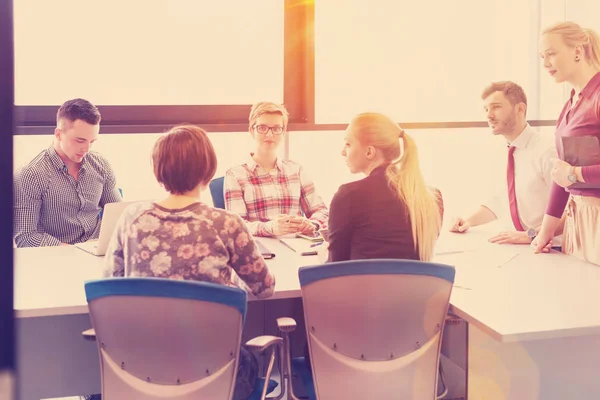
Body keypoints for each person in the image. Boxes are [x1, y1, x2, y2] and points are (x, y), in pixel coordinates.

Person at [104, 124, 276, 400]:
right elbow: (265, 289)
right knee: (250, 361)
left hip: (145, 366)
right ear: (208, 169)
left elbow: (112, 283)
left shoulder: (131, 218)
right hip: (214, 369)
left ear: (158, 170)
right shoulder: (227, 224)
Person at [450, 81, 562, 246]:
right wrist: (468, 221)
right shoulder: (503, 152)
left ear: (520, 109)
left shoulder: (547, 151)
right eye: (486, 109)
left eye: (496, 107)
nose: (489, 115)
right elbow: (499, 202)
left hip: (553, 248)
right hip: (518, 248)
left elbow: (572, 211)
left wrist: (530, 235)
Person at [326, 112, 443, 262]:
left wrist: (324, 254)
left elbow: (335, 267)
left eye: (348, 144)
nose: (342, 152)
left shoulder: (349, 195)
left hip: (364, 285)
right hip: (413, 286)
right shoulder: (431, 197)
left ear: (369, 152)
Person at [533, 22, 600, 265]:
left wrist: (574, 174)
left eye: (551, 54)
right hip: (578, 219)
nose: (545, 64)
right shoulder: (572, 101)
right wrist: (544, 232)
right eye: (542, 56)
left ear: (578, 52)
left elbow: (568, 174)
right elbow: (560, 175)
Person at [13, 98, 122, 247]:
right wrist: (76, 252)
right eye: (80, 140)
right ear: (58, 134)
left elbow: (118, 216)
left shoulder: (100, 165)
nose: (86, 149)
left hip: (98, 251)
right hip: (57, 259)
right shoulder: (30, 175)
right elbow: (26, 237)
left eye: (92, 141)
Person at [224, 102, 328, 237]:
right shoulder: (235, 174)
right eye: (262, 127)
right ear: (251, 130)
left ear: (283, 132)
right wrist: (271, 228)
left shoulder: (296, 170)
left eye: (276, 128)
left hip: (296, 247)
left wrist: (312, 224)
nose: (269, 134)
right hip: (260, 251)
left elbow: (322, 212)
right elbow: (236, 226)